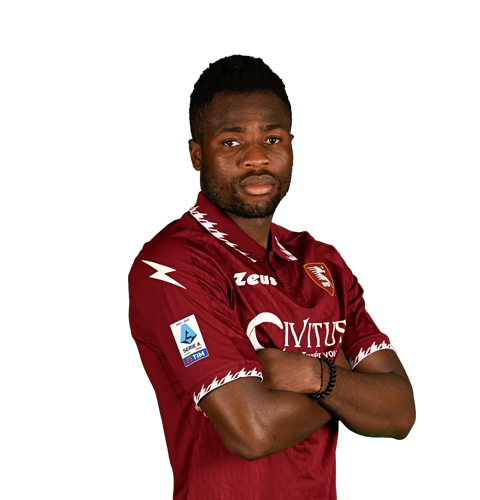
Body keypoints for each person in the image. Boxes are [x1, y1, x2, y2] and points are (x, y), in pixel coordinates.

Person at [128, 55, 415, 500]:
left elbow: (400, 413)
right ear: (197, 154)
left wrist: (316, 375)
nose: (257, 158)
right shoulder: (171, 265)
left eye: (272, 138)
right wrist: (347, 385)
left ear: (291, 145)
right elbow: (253, 431)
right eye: (231, 141)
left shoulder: (322, 262)